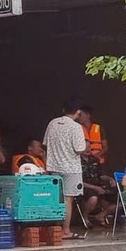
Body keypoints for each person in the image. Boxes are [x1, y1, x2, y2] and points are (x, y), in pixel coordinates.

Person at [44, 101, 89, 238]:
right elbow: (80, 149)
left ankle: (53, 228)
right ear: (78, 112)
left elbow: (45, 144)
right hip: (71, 168)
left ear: (64, 109)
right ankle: (65, 230)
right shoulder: (76, 127)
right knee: (67, 199)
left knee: (54, 199)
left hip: (54, 166)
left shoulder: (52, 123)